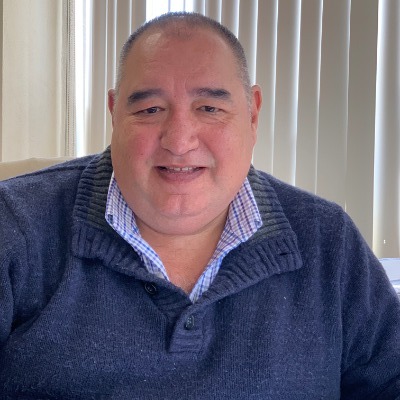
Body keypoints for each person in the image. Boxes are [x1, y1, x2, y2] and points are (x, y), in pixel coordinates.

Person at [0, 12, 399, 400]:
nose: (178, 141)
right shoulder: (14, 227)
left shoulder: (328, 243)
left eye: (209, 108)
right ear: (114, 113)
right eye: (149, 110)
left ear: (252, 114)